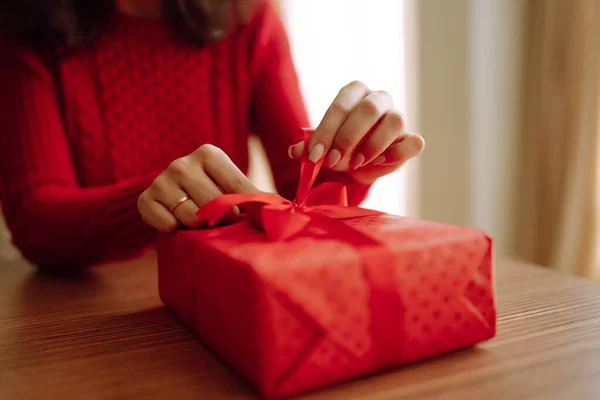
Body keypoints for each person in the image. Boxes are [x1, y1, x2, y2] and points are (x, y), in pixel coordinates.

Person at [0, 0, 424, 269]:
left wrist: (351, 163)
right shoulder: (27, 28)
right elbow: (35, 218)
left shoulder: (248, 17)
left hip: (219, 291)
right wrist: (143, 204)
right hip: (87, 322)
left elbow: (298, 187)